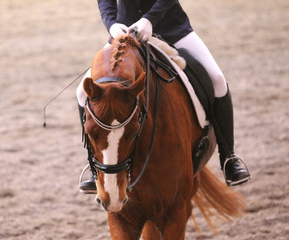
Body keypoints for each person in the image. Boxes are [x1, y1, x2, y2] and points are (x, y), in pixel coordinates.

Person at [77, 0, 250, 193]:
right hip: (126, 32)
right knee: (82, 92)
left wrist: (150, 19)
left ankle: (229, 158)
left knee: (217, 79)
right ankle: (94, 167)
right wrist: (112, 24)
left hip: (172, 28)